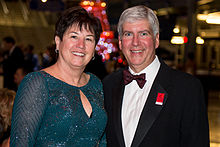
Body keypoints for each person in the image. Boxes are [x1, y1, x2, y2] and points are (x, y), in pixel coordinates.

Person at [103, 5, 209, 147]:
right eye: (128, 34)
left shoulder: (187, 89)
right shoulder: (108, 85)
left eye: (143, 34)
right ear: (121, 43)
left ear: (156, 39)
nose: (135, 42)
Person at [10, 6, 107, 146]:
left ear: (94, 50)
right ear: (58, 41)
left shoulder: (95, 83)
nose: (81, 45)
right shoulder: (37, 83)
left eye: (89, 39)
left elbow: (103, 141)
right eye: (74, 36)